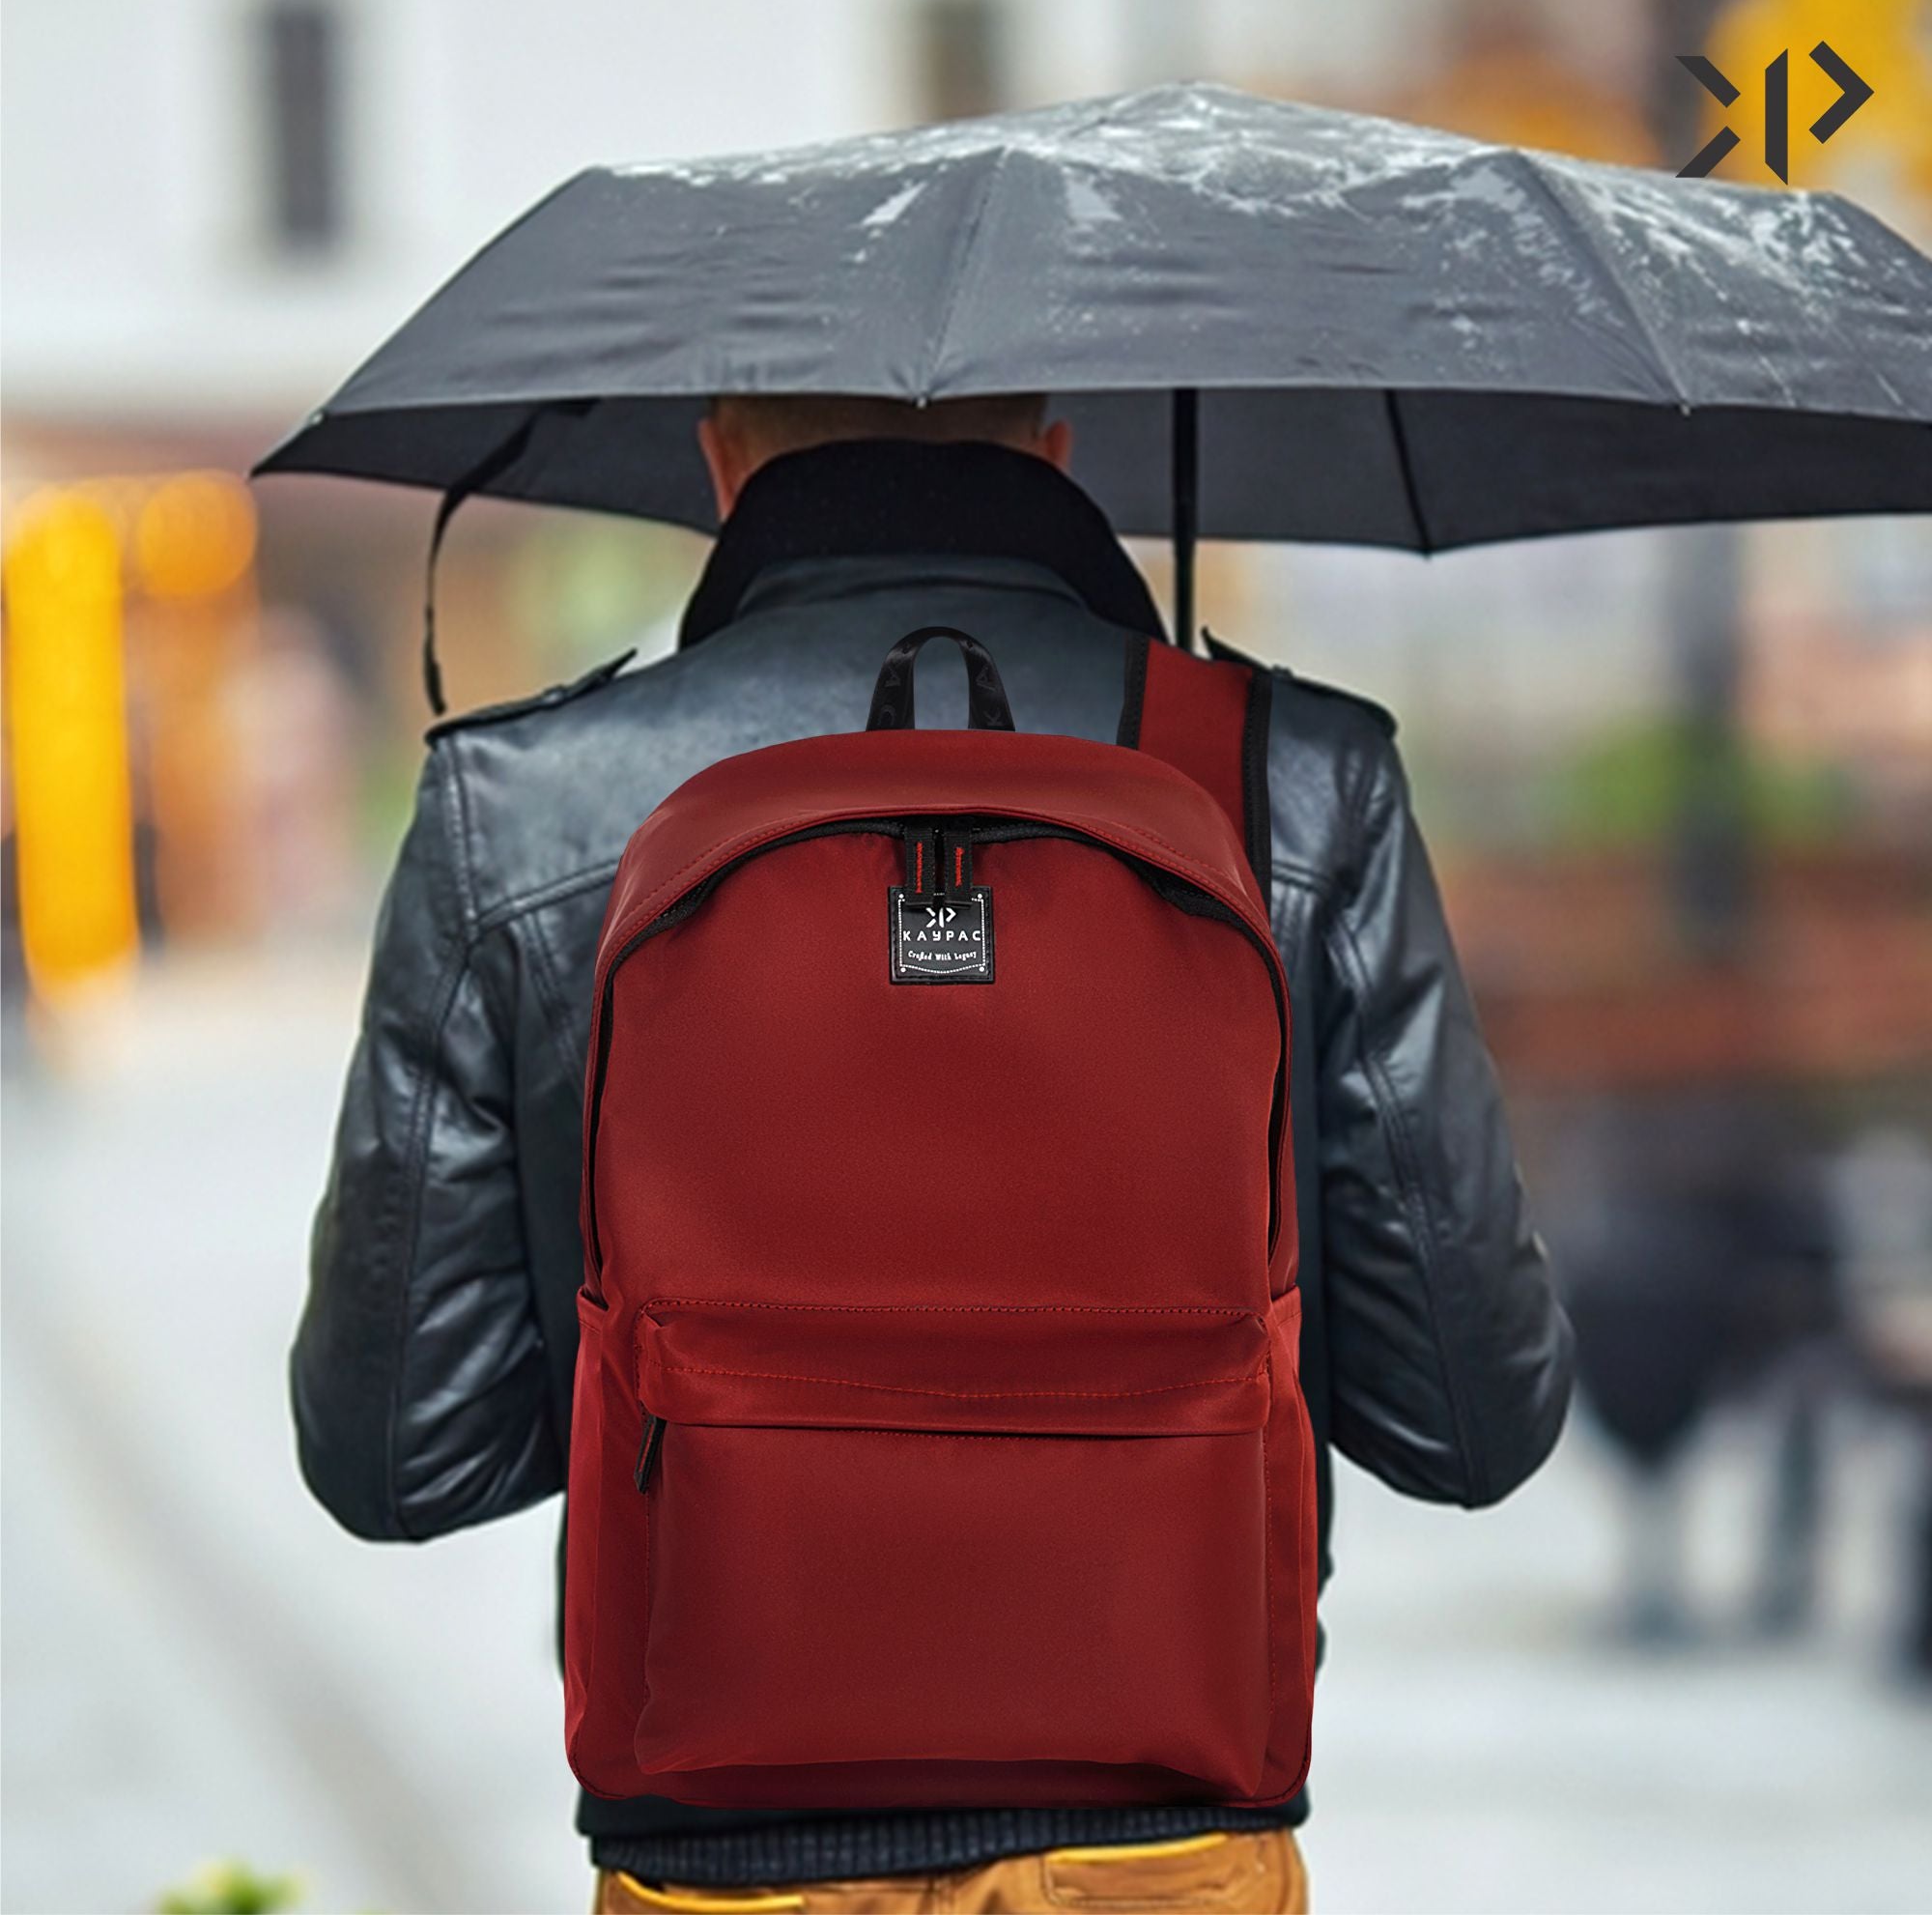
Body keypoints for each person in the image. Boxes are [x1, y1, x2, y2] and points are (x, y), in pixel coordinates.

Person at [295, 393, 1573, 1914]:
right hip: (1165, 1827)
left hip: (721, 1840)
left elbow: (399, 1459)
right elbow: (1468, 1425)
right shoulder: (1292, 776)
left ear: (720, 456)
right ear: (1053, 446)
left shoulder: (515, 804)